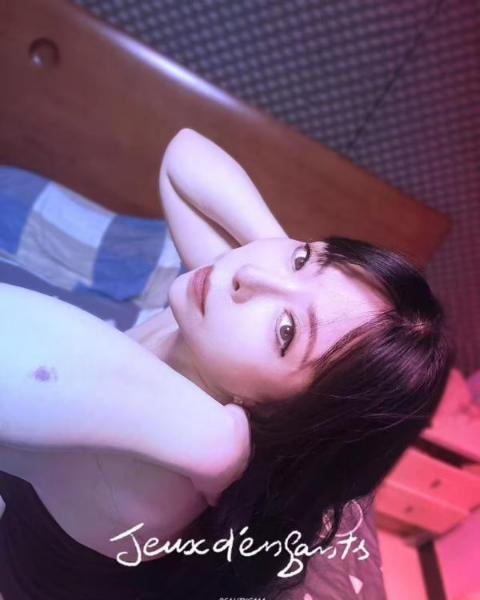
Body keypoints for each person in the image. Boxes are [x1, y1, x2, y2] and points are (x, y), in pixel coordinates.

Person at [0, 128, 454, 600]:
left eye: (287, 331)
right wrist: (286, 261)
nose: (249, 275)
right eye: (302, 258)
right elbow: (183, 158)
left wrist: (211, 441)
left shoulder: (152, 484)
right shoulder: (222, 326)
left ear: (278, 412)